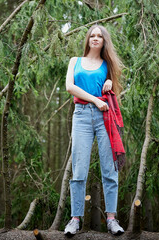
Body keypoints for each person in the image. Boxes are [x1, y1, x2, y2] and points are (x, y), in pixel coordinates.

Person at [64, 24, 126, 236]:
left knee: (110, 170)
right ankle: (75, 220)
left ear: (104, 41)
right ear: (88, 39)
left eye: (100, 36)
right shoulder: (75, 61)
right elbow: (70, 87)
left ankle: (111, 219)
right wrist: (94, 100)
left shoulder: (107, 65)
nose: (96, 38)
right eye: (93, 35)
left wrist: (109, 81)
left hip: (104, 119)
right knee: (79, 170)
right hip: (81, 116)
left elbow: (112, 90)